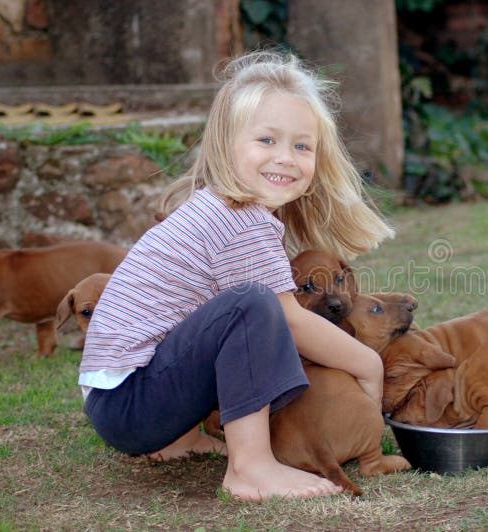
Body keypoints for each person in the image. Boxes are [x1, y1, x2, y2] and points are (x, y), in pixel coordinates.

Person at [79, 50, 394, 501]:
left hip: (121, 401)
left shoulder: (224, 208)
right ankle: (250, 467)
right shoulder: (238, 220)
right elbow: (292, 321)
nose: (285, 158)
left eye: (302, 146)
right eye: (267, 140)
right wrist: (369, 363)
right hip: (129, 406)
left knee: (237, 310)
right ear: (227, 143)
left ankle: (179, 440)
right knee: (253, 305)